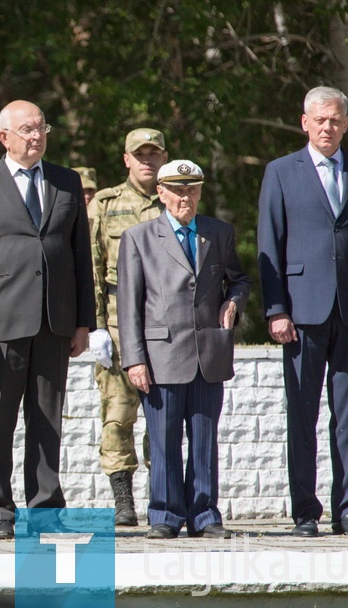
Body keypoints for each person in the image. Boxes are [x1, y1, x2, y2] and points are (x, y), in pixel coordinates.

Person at [0, 100, 94, 540]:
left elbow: (80, 257)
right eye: (26, 130)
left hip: (55, 322)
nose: (36, 136)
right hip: (1, 325)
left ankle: (45, 508)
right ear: (4, 137)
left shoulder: (66, 181)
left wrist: (83, 322)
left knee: (47, 420)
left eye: (41, 128)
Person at [118, 160, 250, 539]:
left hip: (209, 353)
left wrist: (234, 301)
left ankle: (205, 515)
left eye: (192, 189)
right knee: (163, 439)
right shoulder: (139, 238)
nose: (185, 197)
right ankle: (165, 515)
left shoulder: (218, 232)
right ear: (160, 193)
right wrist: (134, 359)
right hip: (161, 355)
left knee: (205, 438)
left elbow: (238, 279)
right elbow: (128, 305)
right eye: (177, 190)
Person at [258, 86, 348, 538]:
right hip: (302, 313)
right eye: (320, 120)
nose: (328, 127)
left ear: (345, 124)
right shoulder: (281, 172)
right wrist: (276, 309)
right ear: (305, 122)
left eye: (336, 120)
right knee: (302, 414)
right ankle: (305, 510)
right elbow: (269, 243)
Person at [86, 128, 167, 526]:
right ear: (127, 159)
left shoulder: (175, 198)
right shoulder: (106, 203)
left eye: (154, 154)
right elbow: (93, 267)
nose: (147, 161)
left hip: (165, 321)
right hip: (118, 321)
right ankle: (123, 501)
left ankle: (162, 498)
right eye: (140, 155)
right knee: (118, 416)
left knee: (163, 419)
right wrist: (95, 326)